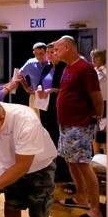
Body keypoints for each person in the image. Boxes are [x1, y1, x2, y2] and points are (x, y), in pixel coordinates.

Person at [54, 36, 105, 217]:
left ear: (67, 47)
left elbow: (97, 98)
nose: (55, 53)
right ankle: (81, 197)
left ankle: (96, 210)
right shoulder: (69, 67)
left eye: (58, 49)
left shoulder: (85, 68)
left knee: (83, 164)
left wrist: (95, 119)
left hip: (79, 125)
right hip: (66, 125)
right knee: (70, 161)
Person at [36, 42, 70, 182]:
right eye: (48, 53)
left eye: (52, 52)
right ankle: (49, 167)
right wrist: (39, 88)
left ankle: (62, 172)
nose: (49, 55)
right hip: (46, 107)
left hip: (58, 107)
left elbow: (67, 89)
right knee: (47, 137)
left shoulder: (65, 68)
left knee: (58, 138)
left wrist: (52, 90)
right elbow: (41, 82)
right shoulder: (47, 67)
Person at [18, 42, 48, 114]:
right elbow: (19, 75)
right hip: (35, 95)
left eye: (41, 53)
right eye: (36, 54)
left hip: (49, 95)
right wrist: (26, 88)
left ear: (46, 52)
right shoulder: (30, 63)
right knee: (35, 120)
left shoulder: (52, 62)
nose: (39, 56)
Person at [90, 49, 107, 154]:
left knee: (105, 132)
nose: (94, 59)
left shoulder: (107, 70)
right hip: (93, 104)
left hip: (106, 103)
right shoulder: (91, 71)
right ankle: (96, 158)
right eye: (92, 57)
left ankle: (107, 158)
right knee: (94, 131)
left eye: (96, 57)